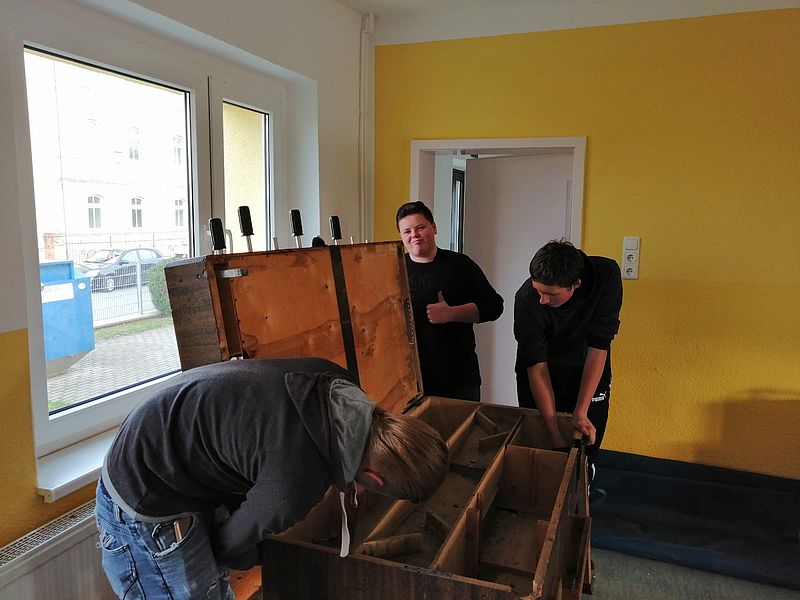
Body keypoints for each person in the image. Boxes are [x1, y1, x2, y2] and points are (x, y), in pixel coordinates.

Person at [96, 356, 449, 599]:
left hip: (171, 441)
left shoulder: (339, 383)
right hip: (147, 491)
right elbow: (229, 548)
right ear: (374, 479)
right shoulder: (298, 482)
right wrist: (275, 557)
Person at [514, 240, 622, 470]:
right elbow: (536, 366)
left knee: (585, 446)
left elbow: (599, 346)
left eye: (550, 294)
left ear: (576, 284)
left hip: (586, 364)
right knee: (542, 444)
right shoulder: (526, 299)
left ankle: (585, 479)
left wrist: (581, 411)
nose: (542, 300)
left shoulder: (606, 276)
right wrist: (555, 437)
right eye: (538, 290)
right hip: (543, 369)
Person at [395, 201, 503, 401]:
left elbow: (494, 306)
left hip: (459, 379)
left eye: (420, 228)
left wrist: (452, 313)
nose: (414, 235)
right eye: (407, 231)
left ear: (434, 227)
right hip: (408, 381)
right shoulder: (394, 270)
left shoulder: (460, 264)